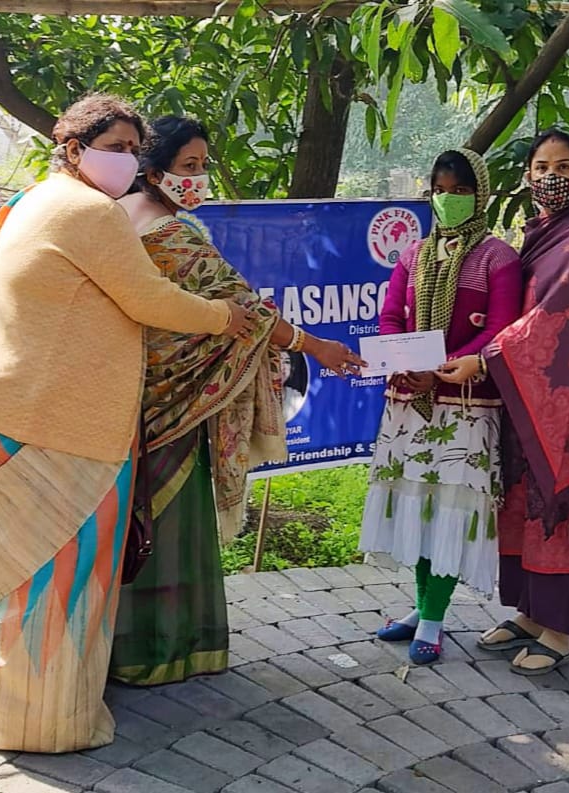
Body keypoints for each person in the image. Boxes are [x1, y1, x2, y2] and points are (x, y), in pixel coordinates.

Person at [0, 95, 258, 752]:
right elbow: (148, 299)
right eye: (116, 146)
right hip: (54, 423)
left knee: (3, 571)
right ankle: (40, 723)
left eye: (134, 149)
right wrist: (225, 318)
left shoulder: (33, 199)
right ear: (73, 148)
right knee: (55, 576)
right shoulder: (91, 212)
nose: (127, 160)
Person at [113, 115, 363, 685]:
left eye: (204, 167)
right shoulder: (173, 236)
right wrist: (315, 345)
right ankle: (163, 650)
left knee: (131, 521)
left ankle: (119, 644)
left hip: (129, 395)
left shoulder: (115, 219)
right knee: (170, 526)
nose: (198, 179)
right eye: (188, 167)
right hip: (179, 402)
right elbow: (246, 314)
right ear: (152, 172)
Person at [439, 130, 569, 675]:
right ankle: (530, 614)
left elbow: (554, 316)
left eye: (565, 165)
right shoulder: (544, 231)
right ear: (528, 175)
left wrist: (485, 360)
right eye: (542, 166)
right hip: (529, 390)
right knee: (522, 500)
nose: (552, 176)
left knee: (557, 505)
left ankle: (558, 631)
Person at [359, 148, 522, 665]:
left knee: (451, 508)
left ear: (481, 194)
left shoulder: (499, 257)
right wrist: (400, 358)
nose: (448, 199)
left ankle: (433, 620)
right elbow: (389, 317)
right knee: (419, 504)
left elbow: (501, 329)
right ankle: (419, 607)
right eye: (441, 189)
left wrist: (456, 360)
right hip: (410, 400)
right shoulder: (413, 254)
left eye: (460, 190)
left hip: (466, 404)